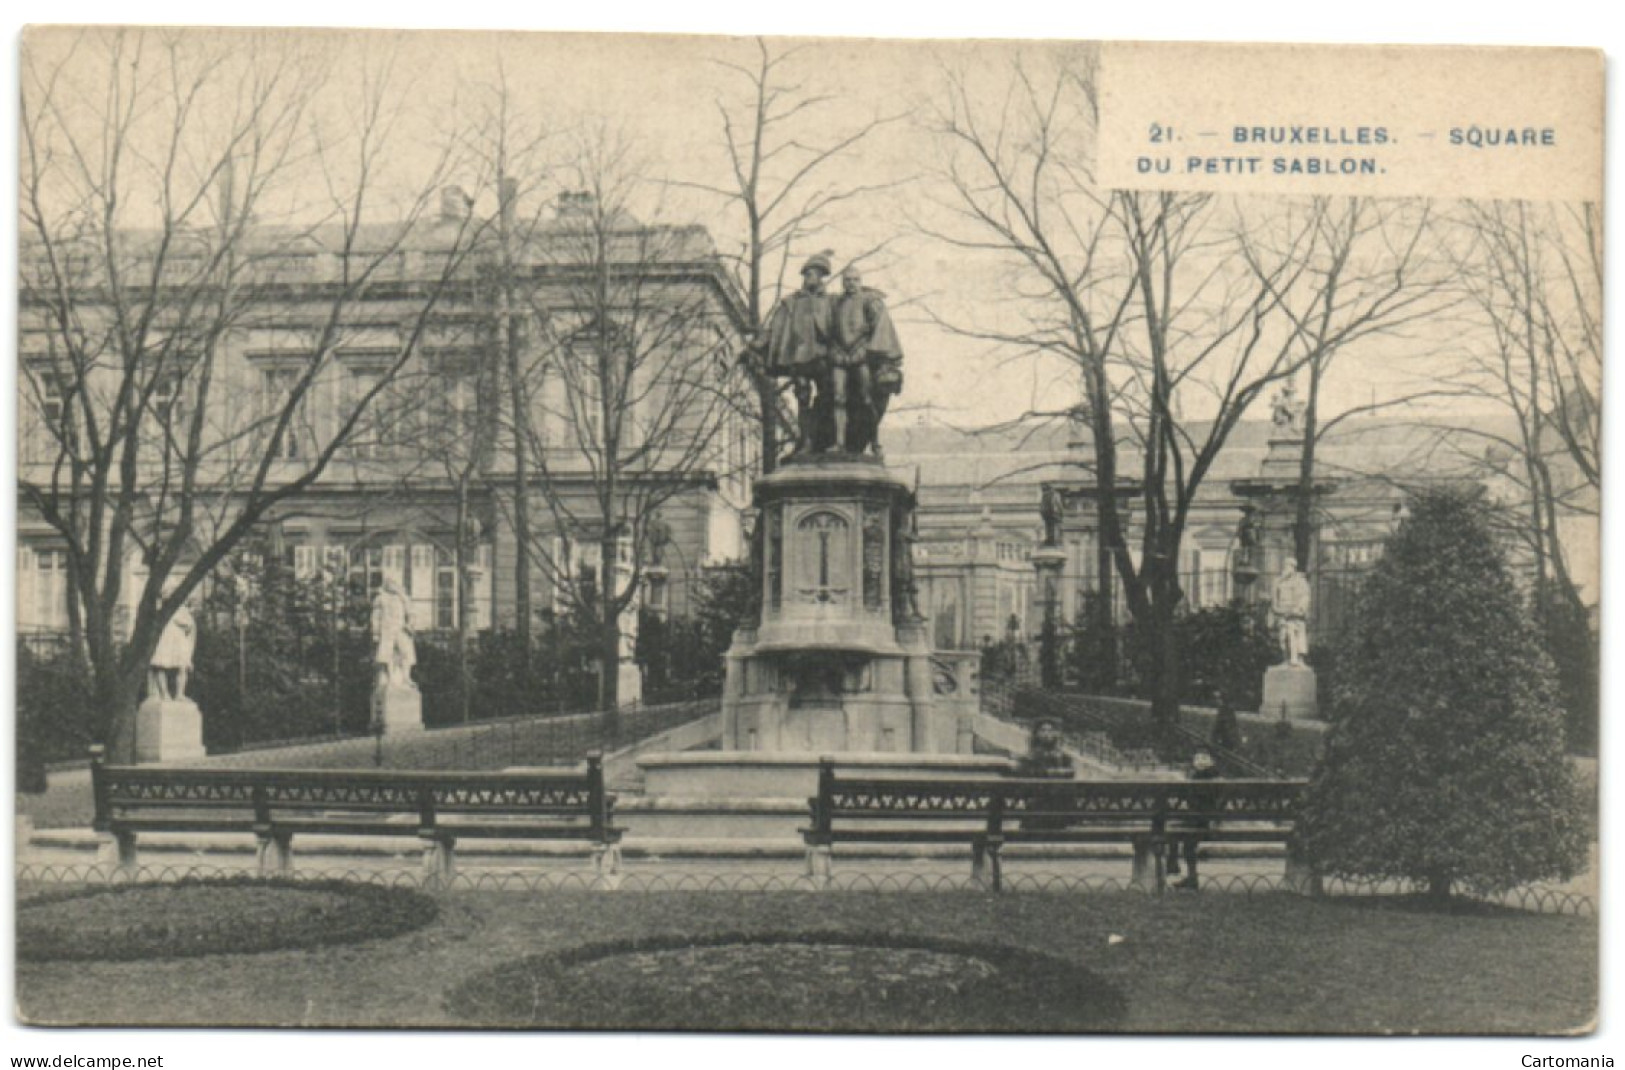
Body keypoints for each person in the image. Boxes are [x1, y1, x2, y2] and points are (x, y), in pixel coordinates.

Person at [761, 252, 835, 454]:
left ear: (822, 277)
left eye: (815, 274)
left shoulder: (830, 302)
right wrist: (757, 345)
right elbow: (774, 328)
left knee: (828, 396)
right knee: (802, 399)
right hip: (800, 357)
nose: (810, 277)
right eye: (807, 274)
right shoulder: (792, 302)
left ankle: (826, 440)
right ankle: (806, 441)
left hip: (823, 357)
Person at [831, 266, 904, 454]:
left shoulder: (869, 300)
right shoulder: (836, 303)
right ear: (842, 282)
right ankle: (839, 443)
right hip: (839, 356)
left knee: (866, 398)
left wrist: (879, 354)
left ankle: (874, 441)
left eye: (855, 279)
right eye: (847, 280)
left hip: (861, 354)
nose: (851, 283)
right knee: (838, 398)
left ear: (860, 281)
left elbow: (879, 326)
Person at [1168, 748, 1220, 890]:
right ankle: (1187, 875)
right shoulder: (1216, 778)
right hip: (1207, 821)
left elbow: (1193, 802)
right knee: (1178, 831)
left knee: (1174, 830)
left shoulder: (1198, 778)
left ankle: (1178, 870)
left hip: (1199, 822)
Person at [148, 582, 196, 702]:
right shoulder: (160, 610)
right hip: (164, 640)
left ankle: (180, 694)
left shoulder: (181, 609)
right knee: (160, 665)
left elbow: (189, 624)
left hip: (178, 640)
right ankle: (164, 694)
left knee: (182, 667)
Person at [371, 577, 417, 691]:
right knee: (388, 655)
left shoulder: (403, 598)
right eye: (391, 583)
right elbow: (375, 617)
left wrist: (410, 625)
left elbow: (411, 613)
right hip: (386, 630)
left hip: (401, 629)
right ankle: (390, 678)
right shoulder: (380, 599)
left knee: (406, 654)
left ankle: (406, 677)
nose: (393, 585)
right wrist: (376, 633)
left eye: (395, 583)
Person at [1271, 557, 1312, 666]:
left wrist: (1298, 610)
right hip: (1283, 615)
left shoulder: (1301, 581)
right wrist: (1279, 611)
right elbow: (1274, 602)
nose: (1287, 568)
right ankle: (1285, 659)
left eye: (1290, 566)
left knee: (1298, 638)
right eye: (1285, 565)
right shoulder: (1278, 582)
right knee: (1283, 639)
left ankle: (1299, 660)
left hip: (1296, 616)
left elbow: (1305, 598)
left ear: (1294, 568)